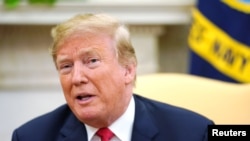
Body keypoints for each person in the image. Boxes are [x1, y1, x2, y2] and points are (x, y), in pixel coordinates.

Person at [11, 13, 214, 141]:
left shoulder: (194, 132)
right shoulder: (31, 136)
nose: (76, 78)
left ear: (128, 70)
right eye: (66, 66)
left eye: (91, 61)